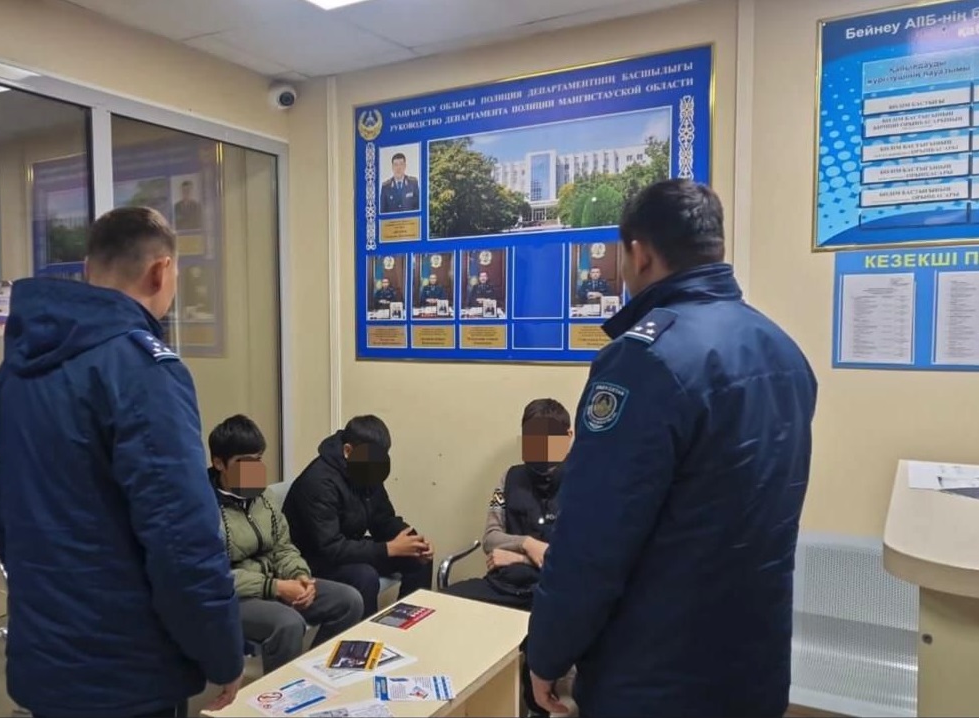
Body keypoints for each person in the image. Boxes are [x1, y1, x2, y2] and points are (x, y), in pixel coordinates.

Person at [526, 179, 818, 718]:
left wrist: (547, 653)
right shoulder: (781, 350)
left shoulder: (644, 361)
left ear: (639, 253)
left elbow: (593, 538)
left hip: (658, 675)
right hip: (755, 662)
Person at [0, 206, 244, 718]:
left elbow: (1, 510)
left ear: (88, 269)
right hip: (126, 669)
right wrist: (222, 651)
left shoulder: (17, 369)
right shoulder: (142, 369)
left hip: (45, 652)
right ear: (161, 271)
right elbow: (181, 538)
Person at [444, 398, 571, 718]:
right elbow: (491, 539)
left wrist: (518, 557)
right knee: (445, 608)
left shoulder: (584, 482)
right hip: (503, 586)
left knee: (543, 638)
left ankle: (536, 706)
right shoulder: (510, 477)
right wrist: (527, 544)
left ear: (568, 436)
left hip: (551, 590)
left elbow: (577, 554)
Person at [208, 415, 364, 673]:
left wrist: (300, 576)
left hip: (275, 583)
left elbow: (283, 547)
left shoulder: (264, 497)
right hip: (232, 597)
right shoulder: (203, 508)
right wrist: (276, 587)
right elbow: (213, 575)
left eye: (258, 459)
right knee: (288, 623)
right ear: (218, 463)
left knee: (349, 601)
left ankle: (315, 673)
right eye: (243, 462)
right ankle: (283, 692)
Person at [284, 415, 434, 616]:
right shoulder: (318, 482)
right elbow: (330, 547)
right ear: (348, 451)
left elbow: (383, 519)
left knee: (417, 558)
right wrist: (388, 549)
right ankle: (367, 634)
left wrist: (414, 541)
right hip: (312, 559)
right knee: (364, 576)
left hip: (348, 547)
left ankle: (406, 624)